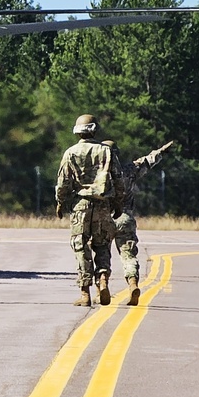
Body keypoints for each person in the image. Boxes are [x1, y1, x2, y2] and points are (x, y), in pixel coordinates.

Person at [55, 114, 124, 307]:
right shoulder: (106, 151)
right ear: (94, 129)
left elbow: (63, 183)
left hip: (80, 206)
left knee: (81, 247)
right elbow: (118, 180)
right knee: (102, 245)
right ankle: (102, 280)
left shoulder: (70, 153)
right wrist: (118, 203)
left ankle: (85, 293)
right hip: (103, 204)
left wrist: (60, 203)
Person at [101, 139, 175, 306]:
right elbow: (148, 161)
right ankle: (133, 284)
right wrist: (162, 151)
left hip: (103, 218)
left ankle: (103, 284)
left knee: (102, 254)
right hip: (125, 217)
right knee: (129, 255)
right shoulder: (129, 169)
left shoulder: (98, 173)